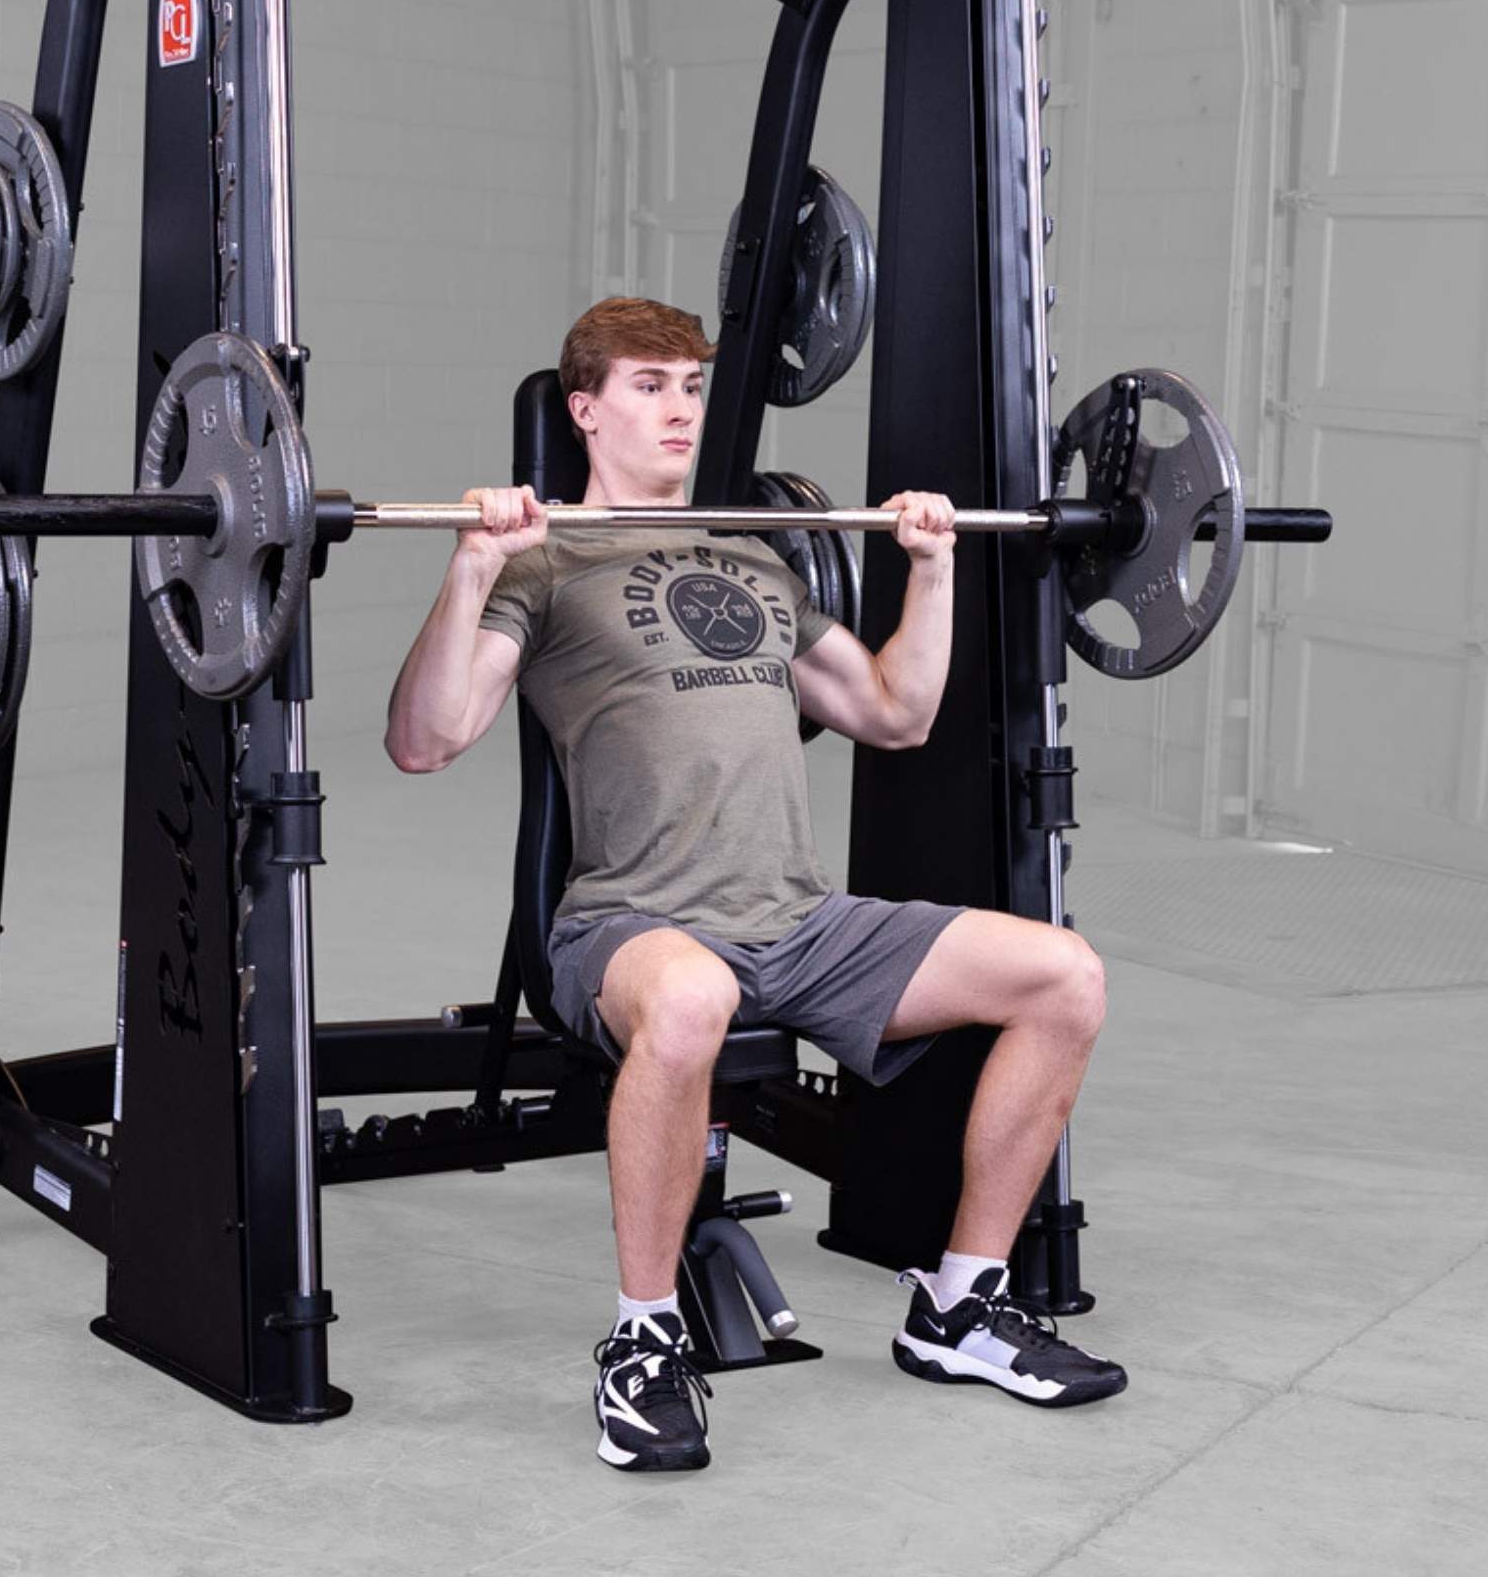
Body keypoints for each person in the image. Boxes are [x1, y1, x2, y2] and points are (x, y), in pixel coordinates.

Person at [383, 297, 1124, 1473]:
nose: (677, 408)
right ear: (584, 409)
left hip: (799, 920)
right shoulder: (547, 553)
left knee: (1061, 975)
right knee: (687, 1002)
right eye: (646, 385)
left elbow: (893, 713)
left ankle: (958, 1305)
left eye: (690, 387)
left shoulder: (748, 551)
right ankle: (642, 1342)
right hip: (630, 922)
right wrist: (470, 569)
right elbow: (428, 737)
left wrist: (927, 569)